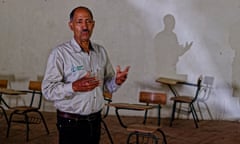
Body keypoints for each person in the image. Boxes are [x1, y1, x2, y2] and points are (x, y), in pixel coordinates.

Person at [41, 6, 130, 144]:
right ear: (71, 25)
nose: (85, 26)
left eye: (88, 21)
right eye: (79, 22)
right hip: (70, 122)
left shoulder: (100, 52)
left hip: (95, 121)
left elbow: (107, 86)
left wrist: (116, 82)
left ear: (93, 25)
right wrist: (73, 87)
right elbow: (47, 91)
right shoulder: (60, 54)